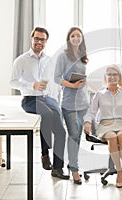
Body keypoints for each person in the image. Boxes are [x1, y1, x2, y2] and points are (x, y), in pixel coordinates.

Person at [10, 27, 69, 179]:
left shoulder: (50, 60)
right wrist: (32, 85)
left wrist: (55, 98)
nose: (39, 42)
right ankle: (44, 154)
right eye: (36, 38)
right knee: (47, 114)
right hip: (30, 99)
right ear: (32, 39)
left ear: (46, 42)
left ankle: (57, 168)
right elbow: (12, 82)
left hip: (48, 98)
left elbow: (54, 82)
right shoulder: (21, 60)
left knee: (61, 132)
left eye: (42, 39)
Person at [83, 65, 122, 188]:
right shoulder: (99, 94)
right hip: (105, 125)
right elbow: (91, 112)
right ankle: (119, 171)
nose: (112, 77)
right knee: (112, 137)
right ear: (105, 77)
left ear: (119, 77)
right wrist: (87, 122)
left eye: (115, 74)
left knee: (121, 136)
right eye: (109, 74)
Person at [54, 27, 89, 185]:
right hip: (69, 102)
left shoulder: (82, 55)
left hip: (83, 102)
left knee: (78, 137)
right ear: (69, 38)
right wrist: (72, 85)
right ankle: (74, 169)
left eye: (78, 36)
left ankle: (73, 164)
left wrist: (83, 83)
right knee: (73, 136)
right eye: (73, 36)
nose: (76, 38)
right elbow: (56, 78)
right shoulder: (63, 56)